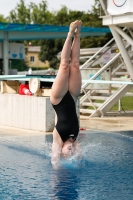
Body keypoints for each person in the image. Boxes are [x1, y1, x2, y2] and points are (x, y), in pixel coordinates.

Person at [50, 20, 82, 167]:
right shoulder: (75, 140)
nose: (69, 152)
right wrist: (78, 160)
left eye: (66, 154)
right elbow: (79, 157)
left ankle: (69, 33)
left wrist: (56, 171)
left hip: (59, 99)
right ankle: (78, 34)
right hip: (73, 96)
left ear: (60, 151)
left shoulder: (58, 140)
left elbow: (54, 161)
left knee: (64, 66)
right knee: (75, 65)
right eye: (71, 153)